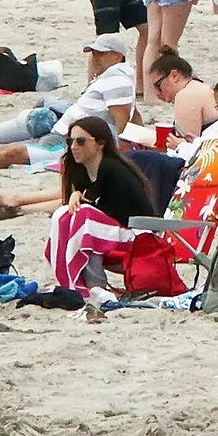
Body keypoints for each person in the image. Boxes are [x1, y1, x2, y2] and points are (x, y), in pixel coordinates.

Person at [0, 34, 136, 170]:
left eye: (100, 54)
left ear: (117, 56)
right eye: (93, 54)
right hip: (63, 133)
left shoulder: (117, 79)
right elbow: (133, 115)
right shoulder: (113, 78)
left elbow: (123, 120)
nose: (94, 58)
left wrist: (125, 155)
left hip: (72, 141)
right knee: (4, 147)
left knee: (13, 152)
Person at [44, 116, 156, 301]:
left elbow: (110, 211)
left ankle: (95, 284)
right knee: (63, 214)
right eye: (70, 141)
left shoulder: (111, 168)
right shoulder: (82, 168)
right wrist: (75, 194)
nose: (73, 147)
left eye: (80, 141)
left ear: (100, 143)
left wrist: (80, 197)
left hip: (139, 236)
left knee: (85, 218)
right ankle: (70, 281)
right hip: (113, 232)